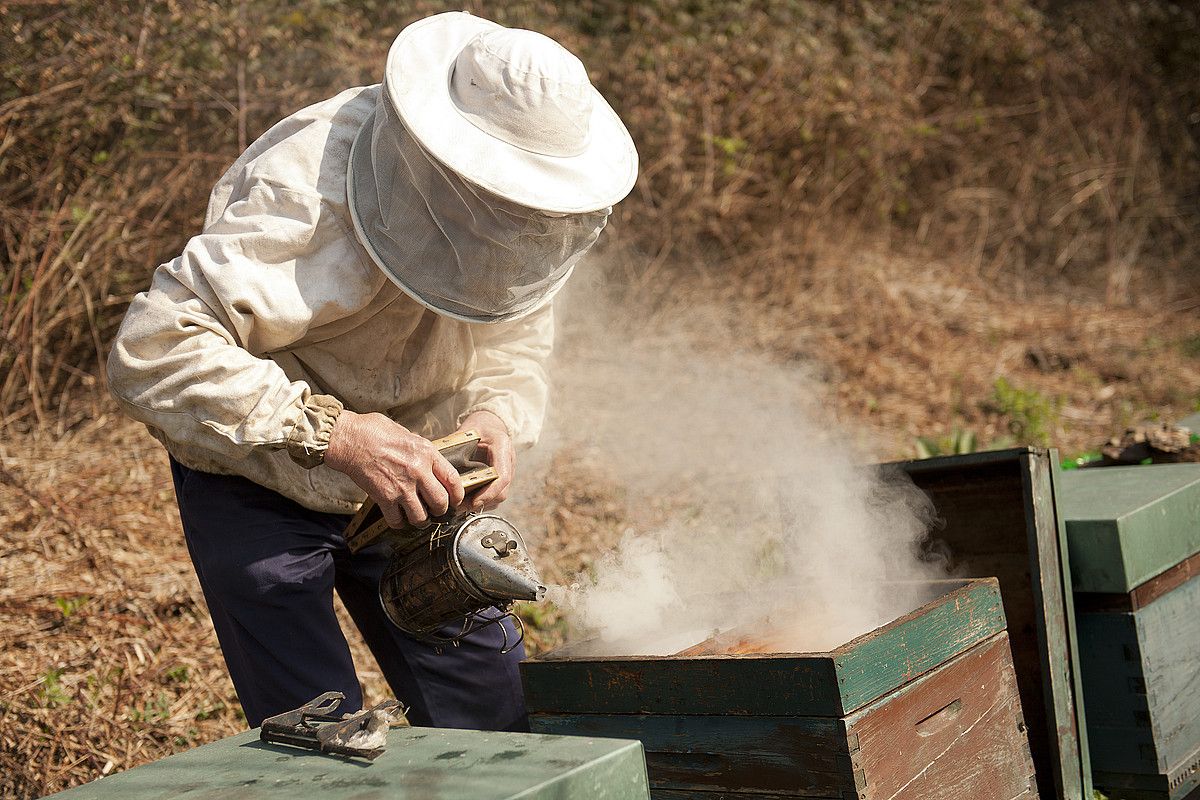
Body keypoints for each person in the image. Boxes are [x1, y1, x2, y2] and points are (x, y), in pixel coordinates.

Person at [105, 11, 637, 731]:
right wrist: (340, 435)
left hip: (418, 475)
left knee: (499, 714)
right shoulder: (300, 193)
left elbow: (515, 335)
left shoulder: (525, 213)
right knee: (320, 733)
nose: (517, 222)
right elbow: (154, 347)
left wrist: (493, 416)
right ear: (446, 163)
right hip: (262, 465)